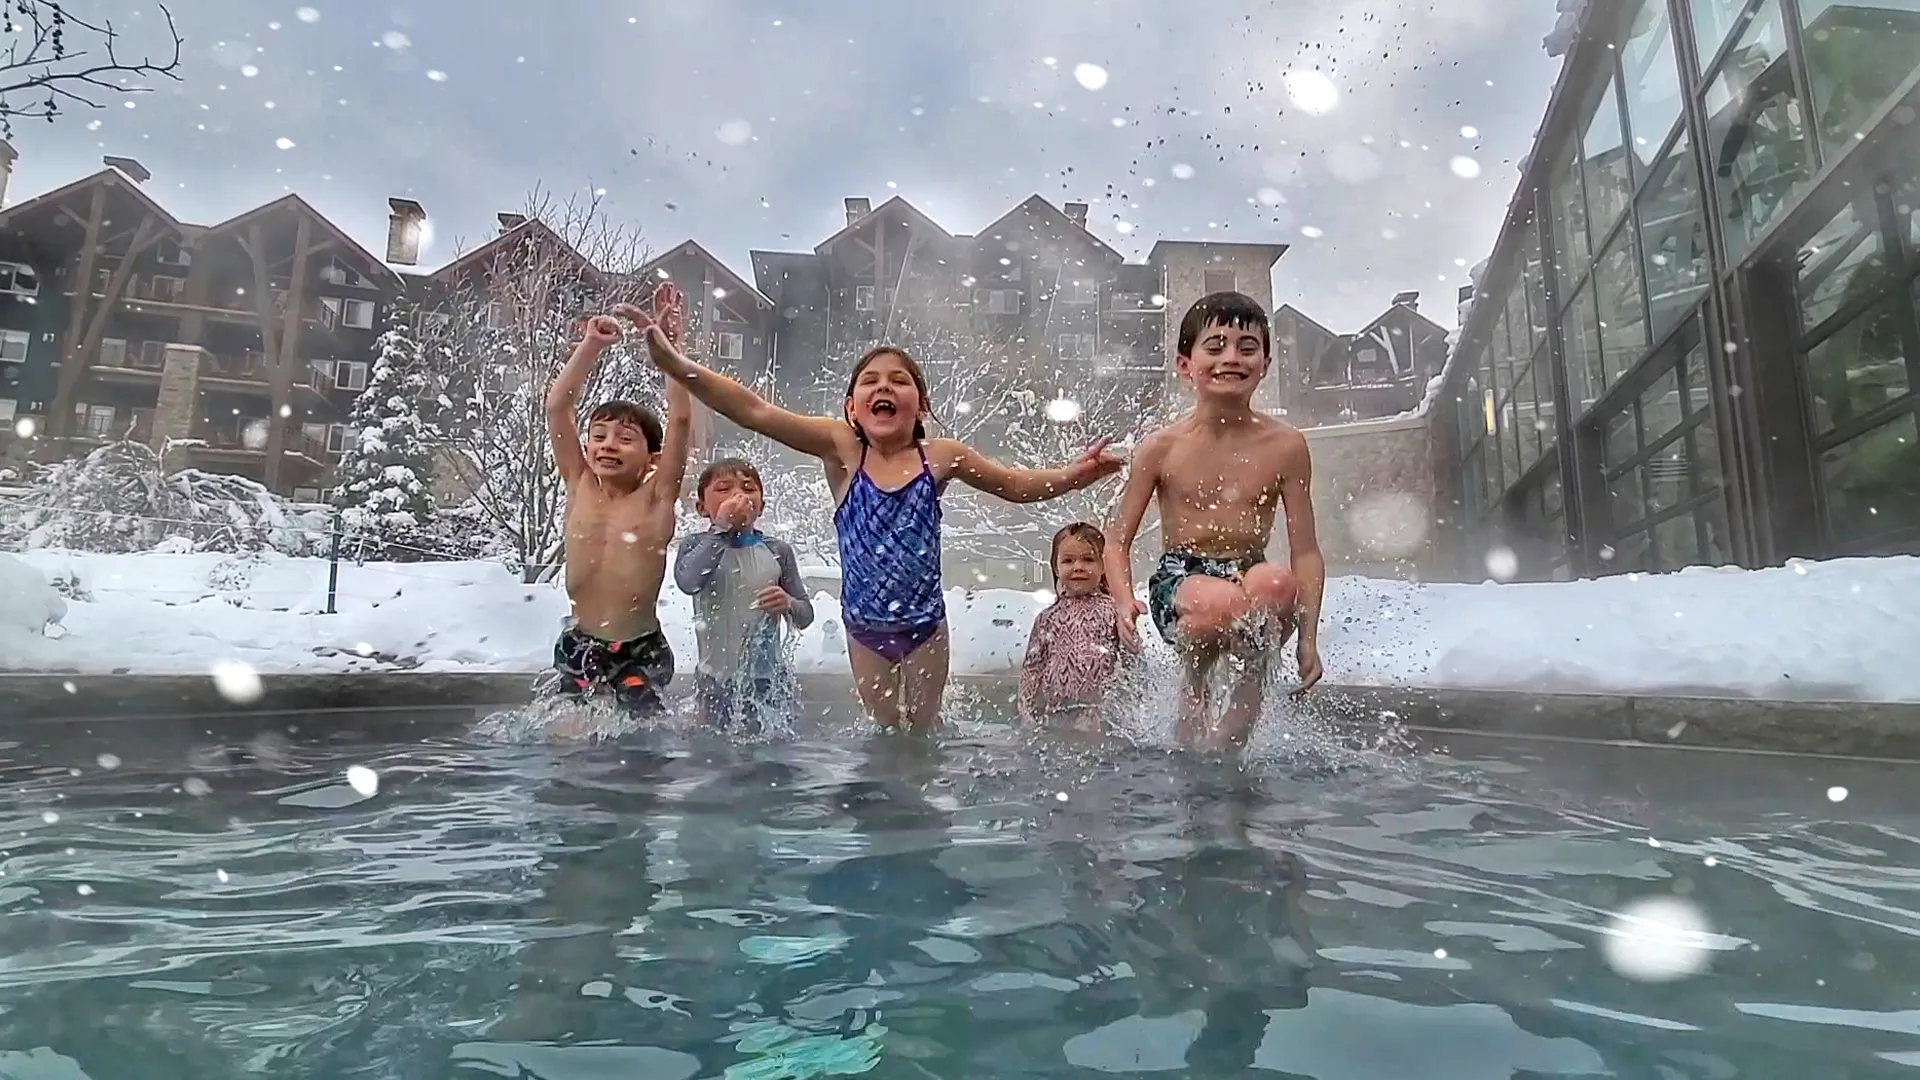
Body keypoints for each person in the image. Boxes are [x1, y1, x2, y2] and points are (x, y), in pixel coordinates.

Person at [640, 339, 1122, 729]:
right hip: (866, 628)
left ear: (921, 405)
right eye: (869, 381)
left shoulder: (939, 456)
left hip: (926, 625)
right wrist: (676, 364)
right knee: (888, 731)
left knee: (921, 735)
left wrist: (1078, 474)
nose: (883, 387)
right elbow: (755, 411)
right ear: (852, 407)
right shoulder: (843, 450)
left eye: (899, 380)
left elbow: (1015, 485)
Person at [1105, 291, 1325, 749]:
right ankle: (1194, 685)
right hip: (1182, 579)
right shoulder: (1162, 447)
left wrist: (1307, 639)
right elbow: (1116, 540)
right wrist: (1124, 601)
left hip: (1249, 569)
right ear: (1186, 365)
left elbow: (1305, 550)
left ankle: (1248, 698)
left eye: (1247, 348)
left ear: (1264, 362)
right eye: (1216, 345)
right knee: (1221, 605)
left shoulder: (1286, 445)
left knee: (1277, 584)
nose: (1232, 357)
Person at [543, 282, 693, 717]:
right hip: (580, 641)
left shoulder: (657, 497)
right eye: (599, 436)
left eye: (625, 439)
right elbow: (557, 408)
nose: (608, 445)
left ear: (652, 459)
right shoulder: (579, 484)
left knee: (639, 747)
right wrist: (590, 346)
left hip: (638, 651)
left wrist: (668, 350)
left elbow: (681, 420)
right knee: (566, 741)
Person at [674, 456, 815, 732]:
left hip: (768, 682)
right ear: (702, 507)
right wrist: (721, 529)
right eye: (724, 489)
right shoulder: (696, 545)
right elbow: (689, 582)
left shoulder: (777, 551)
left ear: (761, 506)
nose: (738, 495)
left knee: (770, 751)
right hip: (713, 681)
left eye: (748, 488)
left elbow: (806, 616)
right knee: (714, 753)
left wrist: (787, 603)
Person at [1019, 522, 1136, 728]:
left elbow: (1132, 662)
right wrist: (1026, 709)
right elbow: (1032, 666)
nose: (1078, 567)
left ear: (1103, 566)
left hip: (1099, 714)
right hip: (1055, 713)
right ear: (1056, 567)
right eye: (1068, 561)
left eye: (1088, 559)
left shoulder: (1113, 612)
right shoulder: (1047, 618)